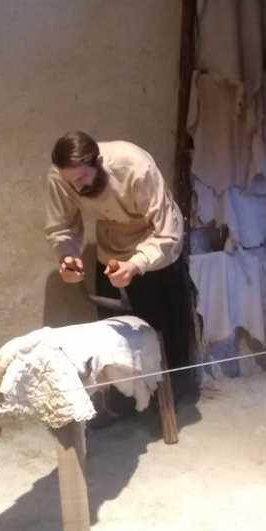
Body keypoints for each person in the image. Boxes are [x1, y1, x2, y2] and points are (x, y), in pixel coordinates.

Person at [45, 132, 194, 424]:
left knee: (162, 326)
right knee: (114, 332)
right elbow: (61, 227)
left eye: (82, 178)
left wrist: (137, 265)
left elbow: (167, 231)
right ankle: (122, 402)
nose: (77, 188)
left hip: (156, 245)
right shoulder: (61, 177)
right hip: (112, 245)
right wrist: (67, 257)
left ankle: (168, 400)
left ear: (98, 162)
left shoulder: (135, 165)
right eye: (71, 182)